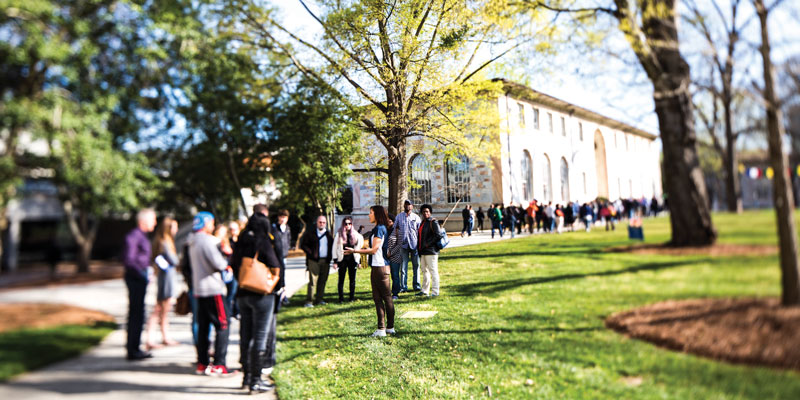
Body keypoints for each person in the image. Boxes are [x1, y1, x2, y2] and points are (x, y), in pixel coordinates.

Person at [231, 204, 281, 393]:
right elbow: (275, 264)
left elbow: (234, 265)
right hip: (261, 294)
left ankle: (246, 378)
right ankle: (256, 381)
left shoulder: (242, 240)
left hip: (243, 293)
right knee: (259, 337)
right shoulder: (263, 241)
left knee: (245, 335)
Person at [188, 211, 237, 376]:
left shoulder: (191, 241)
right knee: (223, 325)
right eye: (212, 222)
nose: (213, 226)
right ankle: (219, 363)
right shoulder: (208, 241)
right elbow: (218, 263)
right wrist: (226, 261)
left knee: (203, 326)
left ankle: (202, 362)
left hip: (199, 289)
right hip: (213, 289)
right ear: (206, 223)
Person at [344, 205, 395, 337]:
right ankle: (385, 328)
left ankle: (385, 328)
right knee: (381, 298)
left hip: (380, 268)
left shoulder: (379, 229)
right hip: (378, 267)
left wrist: (354, 251)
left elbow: (373, 250)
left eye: (370, 213)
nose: (369, 215)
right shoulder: (378, 229)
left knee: (384, 298)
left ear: (377, 214)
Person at [122, 208, 157, 361]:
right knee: (136, 314)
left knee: (139, 314)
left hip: (140, 277)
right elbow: (129, 260)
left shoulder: (142, 236)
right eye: (153, 220)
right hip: (135, 279)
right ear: (143, 221)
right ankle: (133, 350)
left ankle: (135, 347)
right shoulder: (134, 236)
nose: (155, 223)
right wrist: (142, 275)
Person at [145, 217, 180, 350]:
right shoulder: (164, 242)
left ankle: (164, 336)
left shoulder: (166, 241)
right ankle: (151, 338)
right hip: (166, 279)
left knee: (164, 309)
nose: (176, 230)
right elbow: (174, 260)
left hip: (167, 277)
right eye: (174, 227)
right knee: (160, 308)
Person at [300, 215, 334, 307]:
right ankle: (309, 301)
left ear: (325, 223)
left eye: (323, 222)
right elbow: (303, 245)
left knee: (322, 281)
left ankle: (319, 299)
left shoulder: (328, 235)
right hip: (314, 261)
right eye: (320, 222)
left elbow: (332, 247)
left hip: (325, 261)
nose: (322, 224)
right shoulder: (310, 233)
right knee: (312, 282)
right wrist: (311, 254)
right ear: (317, 223)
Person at [332, 217, 363, 302]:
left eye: (349, 223)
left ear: (351, 224)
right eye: (346, 224)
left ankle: (351, 298)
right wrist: (335, 261)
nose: (348, 225)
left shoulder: (356, 234)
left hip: (352, 260)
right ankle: (341, 298)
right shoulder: (339, 234)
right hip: (342, 260)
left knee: (352, 280)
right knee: (341, 279)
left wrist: (359, 262)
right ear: (343, 224)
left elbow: (358, 248)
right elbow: (334, 248)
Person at [394, 199, 421, 293]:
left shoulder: (416, 217)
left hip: (414, 245)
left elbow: (419, 231)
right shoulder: (399, 216)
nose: (407, 206)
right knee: (403, 267)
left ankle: (416, 285)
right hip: (403, 245)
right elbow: (395, 228)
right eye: (406, 204)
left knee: (416, 266)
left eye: (409, 205)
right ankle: (403, 287)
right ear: (403, 206)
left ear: (412, 206)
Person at [417, 204, 442, 297]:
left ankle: (435, 291)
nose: (425, 213)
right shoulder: (422, 223)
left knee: (433, 271)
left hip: (431, 251)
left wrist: (427, 244)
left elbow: (438, 235)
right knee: (424, 271)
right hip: (423, 251)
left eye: (427, 211)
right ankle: (424, 290)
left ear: (430, 212)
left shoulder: (433, 222)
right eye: (423, 211)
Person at [273, 210, 291, 306]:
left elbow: (288, 240)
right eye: (281, 217)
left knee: (283, 277)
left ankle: (283, 296)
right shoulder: (274, 228)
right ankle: (278, 295)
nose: (283, 219)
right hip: (276, 256)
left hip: (284, 255)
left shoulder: (287, 228)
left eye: (285, 217)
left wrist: (287, 250)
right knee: (278, 276)